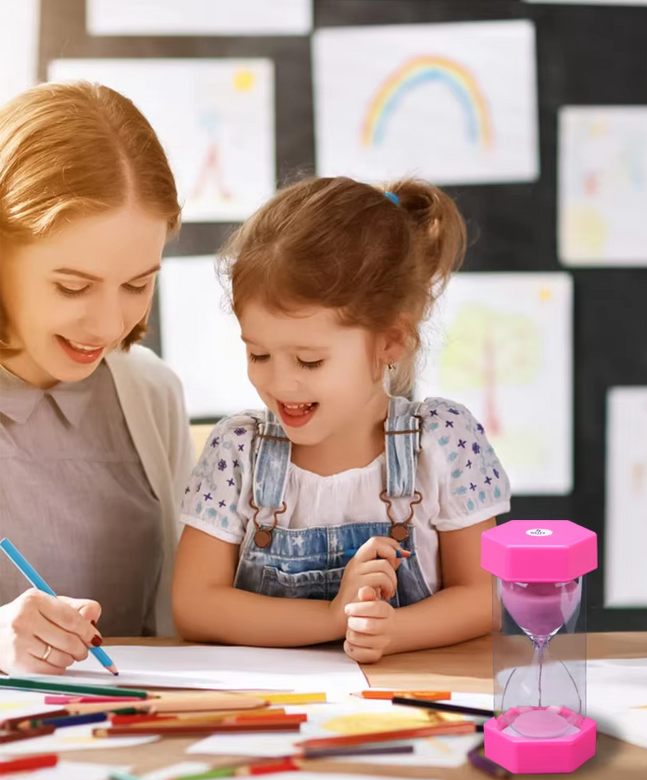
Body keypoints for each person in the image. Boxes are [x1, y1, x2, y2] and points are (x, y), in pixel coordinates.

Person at [173, 176, 511, 663]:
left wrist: (397, 630)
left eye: (309, 361)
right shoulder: (238, 451)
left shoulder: (440, 442)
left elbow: (485, 596)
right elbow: (194, 605)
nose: (281, 384)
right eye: (259, 353)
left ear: (390, 342)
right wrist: (333, 618)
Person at [0, 80, 194, 675]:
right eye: (73, 286)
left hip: (133, 737)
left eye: (138, 284)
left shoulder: (151, 393)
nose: (110, 324)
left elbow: (182, 614)